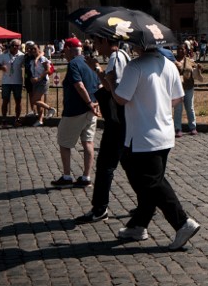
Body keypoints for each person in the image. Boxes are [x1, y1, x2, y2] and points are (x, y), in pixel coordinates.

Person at [113, 46, 201, 250]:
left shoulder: (135, 67)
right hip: (165, 133)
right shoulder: (169, 65)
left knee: (152, 182)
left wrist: (108, 81)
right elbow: (178, 98)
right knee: (148, 182)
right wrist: (158, 104)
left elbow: (121, 98)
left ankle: (182, 223)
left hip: (142, 136)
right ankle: (138, 225)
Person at [75, 35, 129, 223]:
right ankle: (149, 203)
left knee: (105, 165)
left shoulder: (115, 57)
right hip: (124, 119)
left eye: (97, 42)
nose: (96, 46)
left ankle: (100, 208)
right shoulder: (122, 55)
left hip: (117, 121)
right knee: (131, 165)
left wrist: (97, 69)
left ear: (106, 42)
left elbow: (113, 88)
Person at [52, 38, 100, 188]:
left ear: (67, 49)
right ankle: (86, 177)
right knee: (88, 142)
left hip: (75, 110)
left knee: (64, 142)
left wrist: (88, 102)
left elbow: (79, 85)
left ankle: (66, 176)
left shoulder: (73, 64)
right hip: (91, 111)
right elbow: (98, 84)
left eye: (64, 50)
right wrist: (95, 103)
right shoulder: (89, 61)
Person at [0, 39, 25, 127]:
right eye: (14, 46)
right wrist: (1, 67)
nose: (15, 47)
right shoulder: (3, 55)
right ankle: (4, 119)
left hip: (18, 81)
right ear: (10, 46)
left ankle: (17, 119)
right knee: (5, 101)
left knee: (18, 101)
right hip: (6, 82)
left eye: (17, 46)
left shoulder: (22, 56)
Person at [173, 43, 201, 137]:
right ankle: (177, 129)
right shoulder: (172, 61)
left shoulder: (190, 61)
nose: (180, 50)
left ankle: (193, 127)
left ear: (186, 50)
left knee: (190, 108)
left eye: (182, 49)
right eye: (179, 49)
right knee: (178, 109)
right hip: (177, 88)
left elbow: (195, 71)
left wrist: (199, 68)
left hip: (188, 87)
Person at [24, 43, 54, 126]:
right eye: (31, 49)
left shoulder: (42, 58)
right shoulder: (30, 58)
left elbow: (48, 70)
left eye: (34, 49)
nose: (32, 50)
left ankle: (50, 109)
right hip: (34, 82)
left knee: (34, 100)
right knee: (38, 101)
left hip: (42, 81)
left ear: (38, 49)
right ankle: (40, 120)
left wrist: (39, 78)